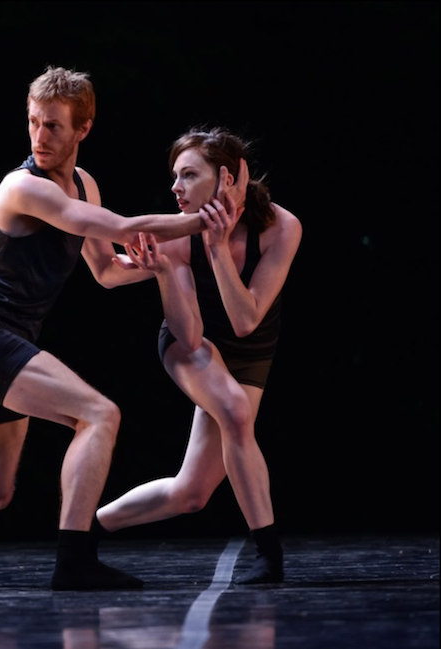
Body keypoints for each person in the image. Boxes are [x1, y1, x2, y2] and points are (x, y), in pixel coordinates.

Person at [0, 67, 220, 590]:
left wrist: (151, 267)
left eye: (54, 126)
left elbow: (105, 269)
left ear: (83, 128)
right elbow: (124, 229)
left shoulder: (84, 184)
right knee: (99, 415)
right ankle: (74, 559)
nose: (40, 137)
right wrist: (211, 219)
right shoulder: (22, 186)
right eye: (34, 123)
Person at [87, 126, 302, 584]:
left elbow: (247, 320)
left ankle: (86, 528)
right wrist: (165, 272)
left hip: (250, 352)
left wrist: (219, 249)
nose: (175, 187)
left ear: (224, 178)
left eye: (187, 175)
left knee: (191, 493)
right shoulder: (177, 236)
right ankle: (270, 554)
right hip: (191, 346)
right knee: (235, 411)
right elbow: (189, 334)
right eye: (174, 176)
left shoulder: (282, 227)